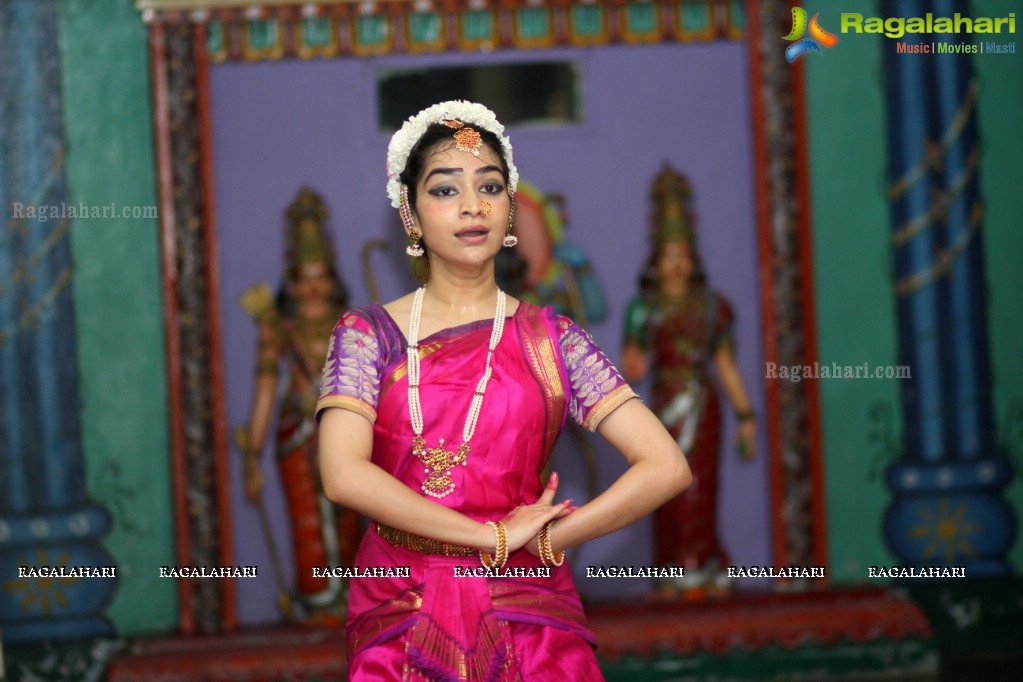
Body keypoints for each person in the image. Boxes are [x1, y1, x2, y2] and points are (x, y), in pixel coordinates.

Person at [316, 101, 691, 680]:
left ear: (510, 209)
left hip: (530, 605)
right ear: (410, 214)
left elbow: (665, 466)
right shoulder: (368, 335)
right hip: (399, 602)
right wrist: (487, 536)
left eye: (489, 186)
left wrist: (548, 541)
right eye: (444, 190)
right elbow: (343, 475)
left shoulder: (554, 339)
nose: (472, 205)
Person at [622, 165, 757, 596]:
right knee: (666, 491)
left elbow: (725, 364)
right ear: (656, 263)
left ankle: (704, 566)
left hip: (704, 406)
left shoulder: (713, 309)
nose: (676, 264)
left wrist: (747, 415)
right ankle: (669, 572)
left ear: (693, 259)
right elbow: (632, 366)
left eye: (683, 255)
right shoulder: (642, 311)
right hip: (664, 407)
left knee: (701, 490)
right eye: (669, 256)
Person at [238, 188, 361, 622]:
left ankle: (355, 598)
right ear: (292, 283)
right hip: (298, 437)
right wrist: (251, 454)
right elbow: (266, 390)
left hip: (347, 435)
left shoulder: (352, 326)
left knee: (351, 519)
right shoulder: (278, 330)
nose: (312, 287)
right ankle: (317, 604)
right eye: (304, 277)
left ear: (332, 281)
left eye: (320, 276)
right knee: (308, 524)